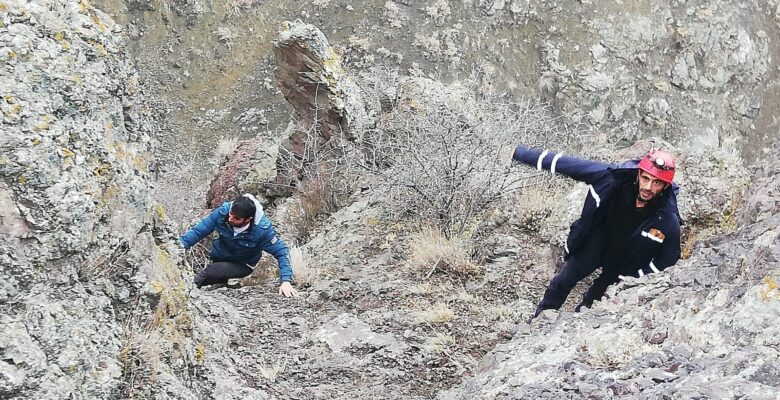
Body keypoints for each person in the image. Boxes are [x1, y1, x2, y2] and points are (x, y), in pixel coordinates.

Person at [511, 146, 681, 317]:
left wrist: (637, 276)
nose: (648, 187)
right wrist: (519, 153)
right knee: (562, 282)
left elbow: (668, 259)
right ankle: (540, 319)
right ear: (638, 174)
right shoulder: (612, 178)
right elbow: (567, 164)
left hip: (624, 262)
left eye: (656, 183)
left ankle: (576, 320)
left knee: (595, 303)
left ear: (665, 186)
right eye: (645, 178)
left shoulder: (667, 218)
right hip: (596, 243)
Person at [180, 193, 299, 297]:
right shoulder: (223, 212)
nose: (230, 219)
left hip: (243, 265)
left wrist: (286, 281)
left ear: (248, 220)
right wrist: (178, 247)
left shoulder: (262, 231)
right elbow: (198, 231)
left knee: (210, 271)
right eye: (231, 214)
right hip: (220, 257)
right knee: (215, 272)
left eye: (236, 218)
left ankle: (186, 291)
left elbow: (282, 251)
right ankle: (220, 283)